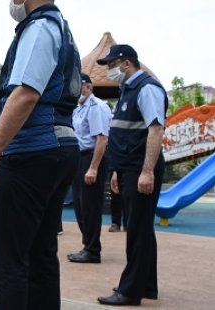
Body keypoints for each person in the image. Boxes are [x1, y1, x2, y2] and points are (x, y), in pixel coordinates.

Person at [0, 1, 81, 308]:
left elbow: (27, 94)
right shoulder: (61, 29)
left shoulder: (39, 27)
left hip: (31, 153)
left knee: (7, 257)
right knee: (41, 252)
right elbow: (42, 100)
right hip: (59, 149)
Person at [96, 44, 167, 306]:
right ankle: (147, 285)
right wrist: (116, 170)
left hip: (140, 169)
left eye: (113, 64)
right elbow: (123, 134)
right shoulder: (127, 90)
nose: (111, 70)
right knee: (142, 228)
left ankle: (130, 291)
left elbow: (156, 129)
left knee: (137, 229)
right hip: (128, 168)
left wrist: (147, 171)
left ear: (127, 63)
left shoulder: (146, 88)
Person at [67, 74, 112, 264]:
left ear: (88, 87)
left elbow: (101, 139)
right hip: (79, 159)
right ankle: (87, 245)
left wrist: (93, 168)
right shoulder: (78, 109)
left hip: (91, 158)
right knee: (80, 205)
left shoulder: (97, 107)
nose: (74, 90)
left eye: (77, 86)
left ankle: (93, 250)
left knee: (90, 206)